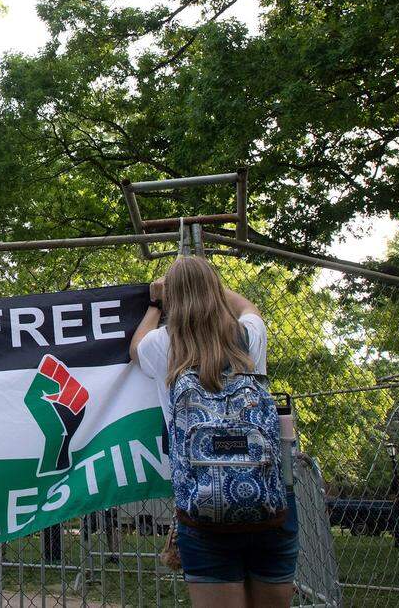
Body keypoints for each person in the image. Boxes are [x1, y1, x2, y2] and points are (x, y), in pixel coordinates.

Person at [130, 256, 297, 608]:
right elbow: (248, 306)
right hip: (269, 502)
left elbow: (135, 348)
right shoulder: (249, 335)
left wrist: (155, 301)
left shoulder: (163, 346)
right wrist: (212, 284)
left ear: (174, 298)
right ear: (216, 290)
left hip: (204, 509)